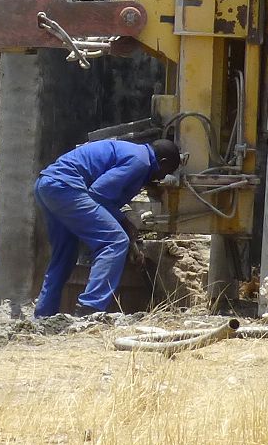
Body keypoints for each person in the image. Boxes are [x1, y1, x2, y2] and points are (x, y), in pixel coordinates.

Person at [33, 136, 182, 317]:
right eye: (165, 172)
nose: (161, 179)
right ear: (163, 162)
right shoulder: (140, 162)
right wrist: (124, 223)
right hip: (66, 187)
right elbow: (98, 194)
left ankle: (44, 314)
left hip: (47, 184)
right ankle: (90, 309)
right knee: (115, 240)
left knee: (64, 253)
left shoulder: (134, 153)